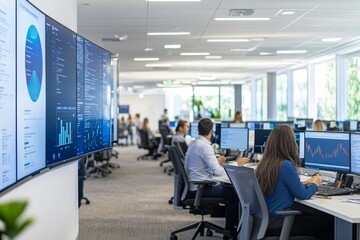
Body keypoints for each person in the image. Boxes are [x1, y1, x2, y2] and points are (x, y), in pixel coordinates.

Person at [255, 125, 333, 239]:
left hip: (264, 221)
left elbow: (280, 185)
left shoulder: (265, 164)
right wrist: (315, 183)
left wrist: (306, 183)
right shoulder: (286, 165)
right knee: (327, 220)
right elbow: (303, 194)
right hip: (278, 221)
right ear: (289, 143)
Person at [185, 118, 249, 239]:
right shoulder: (205, 147)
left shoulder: (194, 143)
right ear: (211, 131)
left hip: (195, 186)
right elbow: (218, 172)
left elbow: (199, 166)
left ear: (198, 130)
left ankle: (230, 229)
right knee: (236, 194)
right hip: (201, 188)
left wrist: (215, 162)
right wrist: (237, 164)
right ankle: (229, 232)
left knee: (228, 188)